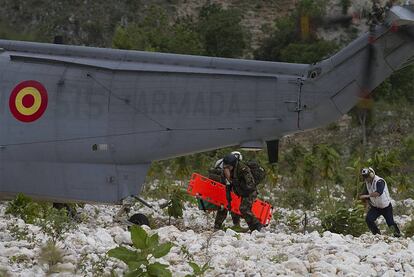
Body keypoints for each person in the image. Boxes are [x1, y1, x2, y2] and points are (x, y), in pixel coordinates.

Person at [221, 153, 262, 232]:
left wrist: (240, 186)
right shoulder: (229, 170)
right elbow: (228, 186)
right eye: (225, 167)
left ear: (232, 165)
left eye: (228, 167)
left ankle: (257, 225)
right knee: (243, 209)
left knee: (244, 209)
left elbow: (250, 183)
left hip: (250, 191)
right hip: (242, 191)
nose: (227, 169)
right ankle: (253, 228)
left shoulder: (243, 169)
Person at [359, 167, 401, 237]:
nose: (366, 179)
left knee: (390, 223)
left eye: (367, 177)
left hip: (386, 207)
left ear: (372, 174)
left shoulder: (379, 181)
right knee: (368, 219)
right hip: (375, 207)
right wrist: (363, 198)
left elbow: (378, 193)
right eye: (365, 177)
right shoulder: (367, 182)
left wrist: (366, 196)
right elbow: (365, 192)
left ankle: (398, 235)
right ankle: (377, 235)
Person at [212, 152, 242, 230]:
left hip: (215, 186)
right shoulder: (230, 165)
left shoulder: (219, 162)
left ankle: (217, 226)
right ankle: (236, 225)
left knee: (222, 207)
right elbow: (230, 178)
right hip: (225, 187)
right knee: (233, 205)